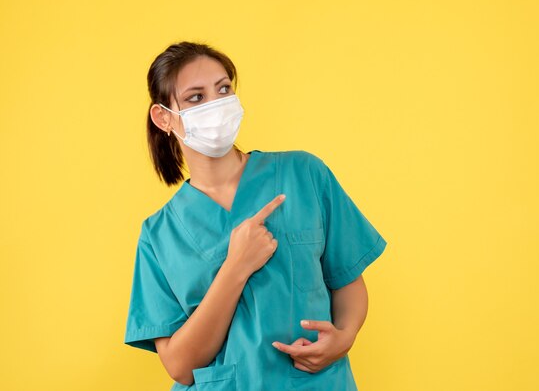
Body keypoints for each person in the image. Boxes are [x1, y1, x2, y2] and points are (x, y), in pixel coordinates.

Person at [123, 41, 388, 391]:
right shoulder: (159, 235)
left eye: (223, 89)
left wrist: (345, 336)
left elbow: (348, 280)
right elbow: (179, 366)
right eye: (196, 98)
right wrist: (236, 266)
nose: (216, 104)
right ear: (164, 118)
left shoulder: (304, 174)